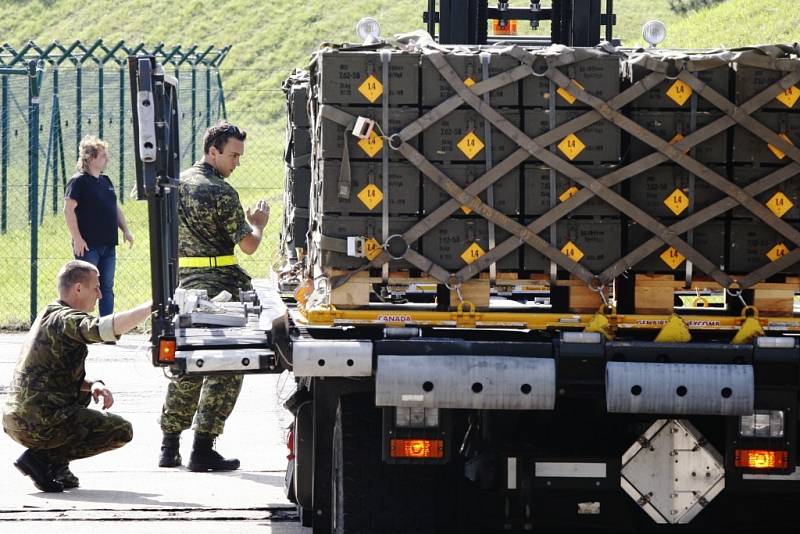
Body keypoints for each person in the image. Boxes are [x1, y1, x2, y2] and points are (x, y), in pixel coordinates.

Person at [158, 121, 270, 472]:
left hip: (183, 284)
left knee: (186, 364)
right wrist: (260, 224)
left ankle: (169, 445)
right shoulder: (221, 192)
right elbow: (249, 246)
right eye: (233, 155)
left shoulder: (177, 184)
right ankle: (203, 446)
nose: (237, 162)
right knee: (225, 364)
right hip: (220, 289)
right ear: (213, 151)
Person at [2, 260, 152, 492]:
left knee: (82, 398)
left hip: (19, 417)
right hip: (36, 421)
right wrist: (152, 306)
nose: (100, 294)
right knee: (121, 430)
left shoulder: (49, 313)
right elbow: (102, 329)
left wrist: (93, 385)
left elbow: (50, 376)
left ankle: (55, 467)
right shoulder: (65, 319)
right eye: (96, 287)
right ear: (78, 288)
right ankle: (43, 460)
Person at [64, 135, 134, 321]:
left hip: (108, 244)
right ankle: (79, 326)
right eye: (103, 156)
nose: (107, 159)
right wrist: (77, 238)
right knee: (84, 287)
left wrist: (125, 230)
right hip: (88, 246)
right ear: (90, 157)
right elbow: (68, 210)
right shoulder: (78, 181)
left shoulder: (106, 181)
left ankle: (106, 327)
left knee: (107, 287)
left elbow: (114, 207)